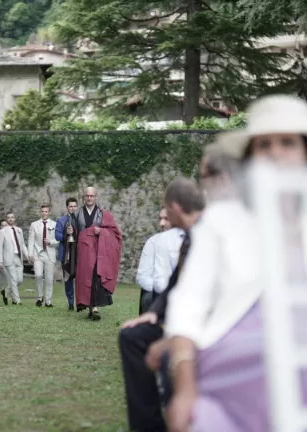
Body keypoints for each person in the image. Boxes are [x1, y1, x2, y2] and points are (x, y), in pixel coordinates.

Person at [163, 94, 307, 432]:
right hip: (234, 359)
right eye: (263, 145)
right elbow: (189, 303)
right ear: (250, 158)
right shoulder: (223, 220)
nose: (275, 153)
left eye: (287, 143)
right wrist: (185, 388)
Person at [119, 178, 204, 432]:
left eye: (165, 210)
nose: (164, 217)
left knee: (169, 356)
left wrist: (175, 335)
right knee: (131, 336)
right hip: (180, 320)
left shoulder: (209, 236)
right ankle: (147, 425)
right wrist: (153, 314)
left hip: (205, 324)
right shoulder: (188, 237)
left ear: (175, 208)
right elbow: (175, 285)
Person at [73, 187, 122, 320]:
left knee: (96, 275)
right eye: (87, 196)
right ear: (84, 197)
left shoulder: (102, 213)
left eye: (92, 196)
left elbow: (114, 232)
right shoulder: (77, 213)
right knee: (85, 277)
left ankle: (95, 308)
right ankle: (88, 306)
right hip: (83, 251)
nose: (89, 198)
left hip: (98, 250)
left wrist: (101, 231)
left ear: (96, 197)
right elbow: (74, 233)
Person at [136, 207, 180, 314]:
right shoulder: (153, 242)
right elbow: (142, 277)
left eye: (166, 219)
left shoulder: (187, 240)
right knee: (148, 299)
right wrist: (165, 290)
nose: (162, 223)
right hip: (157, 292)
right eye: (160, 219)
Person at [28, 204, 59, 307]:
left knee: (49, 279)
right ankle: (39, 297)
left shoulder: (55, 224)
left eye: (46, 211)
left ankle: (48, 301)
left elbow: (58, 241)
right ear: (40, 212)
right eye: (42, 211)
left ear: (49, 213)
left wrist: (51, 242)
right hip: (38, 253)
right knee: (38, 275)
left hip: (50, 254)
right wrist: (30, 254)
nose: (44, 213)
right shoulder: (34, 225)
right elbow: (31, 240)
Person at [0, 212, 28, 305]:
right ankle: (17, 300)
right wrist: (0, 260)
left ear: (15, 219)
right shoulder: (2, 232)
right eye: (8, 218)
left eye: (12, 217)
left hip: (18, 257)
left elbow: (22, 244)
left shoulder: (19, 230)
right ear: (7, 219)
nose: (10, 219)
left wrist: (28, 255)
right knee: (14, 279)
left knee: (19, 280)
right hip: (8, 258)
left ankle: (6, 290)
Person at [55, 197, 78, 310]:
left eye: (74, 206)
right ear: (67, 207)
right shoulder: (61, 220)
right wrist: (66, 233)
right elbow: (57, 236)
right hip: (66, 254)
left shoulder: (80, 220)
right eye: (70, 206)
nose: (73, 208)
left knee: (80, 279)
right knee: (68, 279)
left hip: (78, 253)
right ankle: (70, 303)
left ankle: (80, 302)